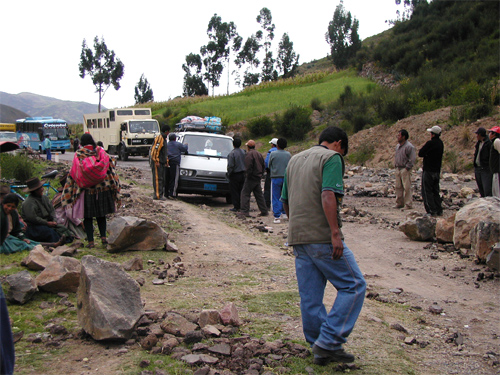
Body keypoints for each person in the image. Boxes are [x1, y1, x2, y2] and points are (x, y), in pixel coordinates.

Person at [281, 126, 366, 365]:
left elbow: (285, 201)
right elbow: (328, 194)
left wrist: (296, 226)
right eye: (343, 150)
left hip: (299, 237)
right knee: (354, 285)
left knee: (310, 296)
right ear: (338, 143)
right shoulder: (332, 158)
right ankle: (329, 340)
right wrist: (335, 233)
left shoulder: (294, 160)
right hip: (322, 237)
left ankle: (319, 346)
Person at [62, 133, 120, 248]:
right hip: (102, 188)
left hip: (86, 190)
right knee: (101, 215)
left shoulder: (79, 154)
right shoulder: (101, 153)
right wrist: (114, 186)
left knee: (87, 217)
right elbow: (111, 166)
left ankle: (91, 242)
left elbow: (74, 173)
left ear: (81, 143)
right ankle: (103, 238)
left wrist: (71, 189)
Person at [21, 177, 73, 243]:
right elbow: (33, 219)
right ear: (34, 190)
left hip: (48, 223)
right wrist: (47, 223)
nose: (42, 189)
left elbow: (52, 211)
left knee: (63, 229)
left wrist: (54, 221)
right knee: (48, 232)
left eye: (42, 187)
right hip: (34, 227)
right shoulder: (28, 203)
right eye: (40, 189)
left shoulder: (44, 198)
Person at [418, 125, 444, 216]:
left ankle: (431, 209)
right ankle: (438, 208)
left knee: (427, 191)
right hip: (437, 170)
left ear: (433, 134)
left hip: (428, 170)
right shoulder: (440, 144)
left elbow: (420, 153)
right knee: (435, 191)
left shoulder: (430, 143)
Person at [238, 140, 268, 218]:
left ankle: (244, 211)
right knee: (259, 195)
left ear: (248, 147)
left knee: (245, 193)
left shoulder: (249, 154)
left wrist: (247, 175)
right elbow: (263, 165)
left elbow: (248, 166)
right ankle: (264, 211)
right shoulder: (259, 154)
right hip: (258, 177)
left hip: (251, 177)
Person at [268, 137, 291, 223]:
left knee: (275, 196)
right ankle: (285, 213)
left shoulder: (273, 154)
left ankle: (277, 216)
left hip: (275, 177)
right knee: (285, 196)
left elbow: (269, 165)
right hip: (285, 177)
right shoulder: (288, 154)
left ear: (277, 145)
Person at [394, 129, 416, 209]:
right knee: (398, 187)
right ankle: (399, 203)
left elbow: (412, 158)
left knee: (407, 187)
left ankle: (408, 204)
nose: (398, 137)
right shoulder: (397, 146)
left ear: (404, 137)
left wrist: (407, 168)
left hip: (405, 169)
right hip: (398, 168)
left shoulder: (409, 147)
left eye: (399, 136)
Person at [150, 125, 170, 201]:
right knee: (158, 179)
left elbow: (164, 152)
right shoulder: (160, 138)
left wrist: (166, 161)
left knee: (161, 178)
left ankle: (159, 193)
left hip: (161, 162)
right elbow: (155, 150)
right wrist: (156, 160)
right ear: (166, 131)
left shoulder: (164, 139)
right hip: (157, 162)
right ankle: (158, 195)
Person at [166, 133, 188, 199]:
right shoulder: (178, 144)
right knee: (174, 178)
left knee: (167, 178)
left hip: (166, 163)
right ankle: (172, 194)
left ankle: (166, 193)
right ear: (175, 138)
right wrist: (186, 145)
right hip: (175, 163)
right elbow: (184, 149)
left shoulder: (167, 145)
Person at [227, 138, 246, 212]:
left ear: (233, 145)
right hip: (243, 174)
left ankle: (236, 206)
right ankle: (241, 205)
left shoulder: (232, 153)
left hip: (235, 174)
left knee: (234, 191)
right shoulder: (244, 152)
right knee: (241, 190)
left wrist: (229, 173)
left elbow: (231, 165)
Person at [473, 127, 492, 197]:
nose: (476, 136)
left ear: (480, 135)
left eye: (477, 134)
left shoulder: (488, 143)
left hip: (485, 169)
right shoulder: (479, 143)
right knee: (481, 189)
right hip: (478, 168)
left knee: (487, 188)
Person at [264, 138, 278, 210]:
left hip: (271, 172)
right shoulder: (282, 151)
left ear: (273, 144)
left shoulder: (271, 151)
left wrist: (265, 169)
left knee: (267, 189)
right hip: (280, 173)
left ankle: (267, 205)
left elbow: (266, 162)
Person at [488, 126, 500, 197]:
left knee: (497, 192)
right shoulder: (494, 142)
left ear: (494, 134)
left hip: (497, 170)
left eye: (490, 132)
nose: (489, 134)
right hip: (495, 170)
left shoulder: (497, 141)